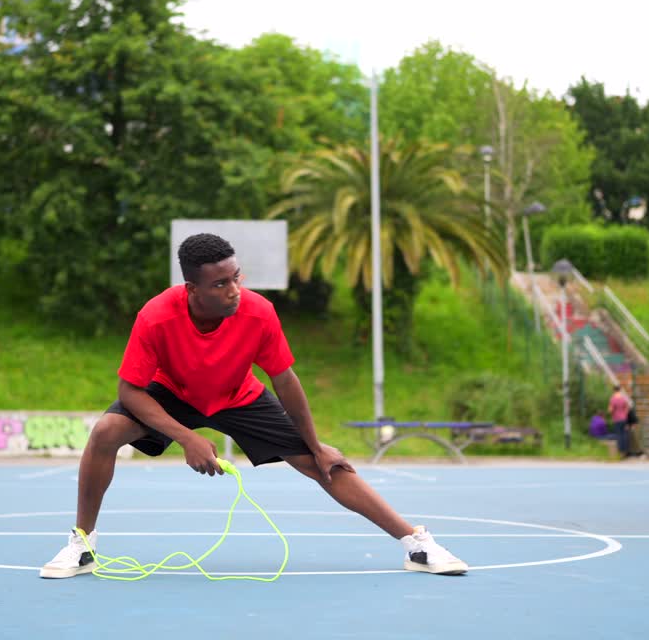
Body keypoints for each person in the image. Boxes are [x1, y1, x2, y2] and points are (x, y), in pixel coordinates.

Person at [40, 233, 468, 578]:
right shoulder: (156, 317)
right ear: (192, 289)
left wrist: (315, 443)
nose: (234, 291)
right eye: (221, 284)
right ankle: (83, 543)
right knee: (106, 432)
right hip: (171, 394)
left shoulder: (259, 313)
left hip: (238, 395)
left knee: (324, 462)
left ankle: (415, 543)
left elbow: (285, 380)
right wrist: (187, 437)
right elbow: (131, 390)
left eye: (236, 278)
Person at [608, 384, 632, 458]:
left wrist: (610, 412)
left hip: (617, 419)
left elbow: (610, 410)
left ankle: (620, 452)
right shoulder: (623, 398)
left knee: (619, 435)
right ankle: (626, 451)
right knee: (624, 434)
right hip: (624, 419)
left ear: (614, 390)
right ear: (620, 390)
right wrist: (625, 414)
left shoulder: (613, 398)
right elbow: (628, 408)